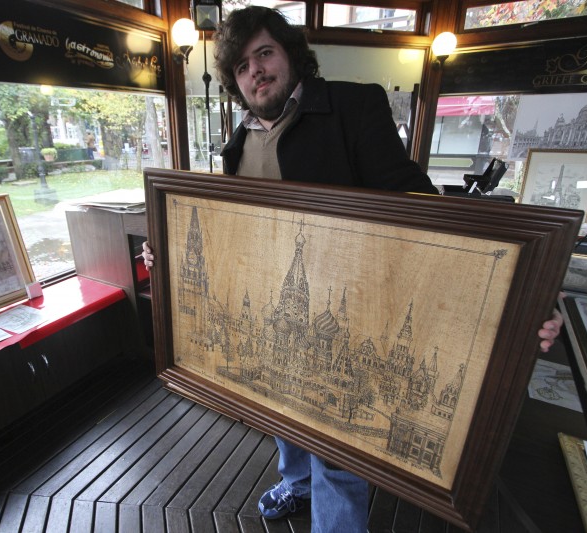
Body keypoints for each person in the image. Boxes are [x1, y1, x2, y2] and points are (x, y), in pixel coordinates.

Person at [142, 6, 563, 532]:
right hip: (282, 308)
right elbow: (231, 238)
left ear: (292, 56)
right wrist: (166, 248)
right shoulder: (237, 143)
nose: (256, 70)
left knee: (337, 453)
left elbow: (425, 212)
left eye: (266, 52)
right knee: (277, 405)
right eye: (242, 64)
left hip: (350, 299)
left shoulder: (352, 105)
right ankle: (295, 484)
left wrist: (525, 295)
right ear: (232, 79)